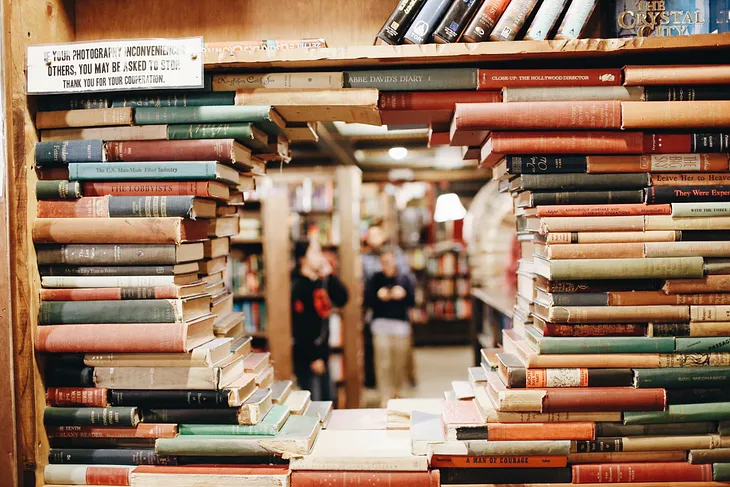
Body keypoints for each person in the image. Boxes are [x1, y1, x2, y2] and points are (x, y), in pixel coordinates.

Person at [361, 221, 418, 390]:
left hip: (400, 322)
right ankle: (385, 394)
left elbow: (411, 295)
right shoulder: (369, 266)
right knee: (383, 361)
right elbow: (368, 295)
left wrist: (402, 293)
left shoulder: (402, 270)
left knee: (399, 361)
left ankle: (399, 391)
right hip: (380, 321)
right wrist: (378, 296)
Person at [291, 238, 349, 402]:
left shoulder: (320, 282)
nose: (320, 257)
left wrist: (330, 274)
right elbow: (300, 326)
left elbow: (343, 298)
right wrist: (313, 357)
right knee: (314, 403)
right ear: (303, 258)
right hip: (307, 357)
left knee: (329, 400)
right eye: (315, 252)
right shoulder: (297, 286)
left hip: (323, 353)